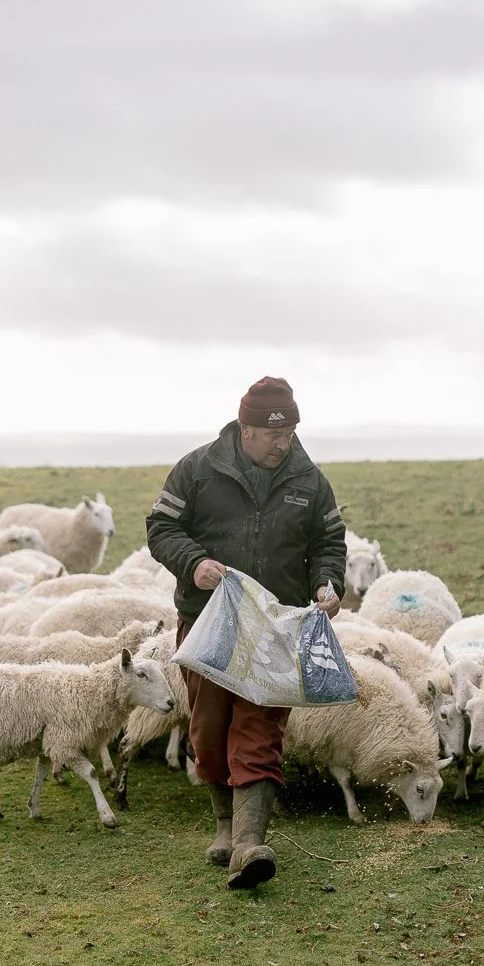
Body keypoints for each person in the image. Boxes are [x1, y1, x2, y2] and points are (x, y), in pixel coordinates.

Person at [145, 376, 346, 889]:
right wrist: (194, 563)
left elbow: (329, 539)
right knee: (209, 730)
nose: (284, 442)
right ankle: (224, 823)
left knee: (260, 728)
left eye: (291, 431)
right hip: (209, 619)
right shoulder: (197, 469)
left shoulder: (309, 480)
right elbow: (161, 528)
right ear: (245, 427)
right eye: (274, 433)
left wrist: (327, 582)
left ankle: (249, 843)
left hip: (276, 628)